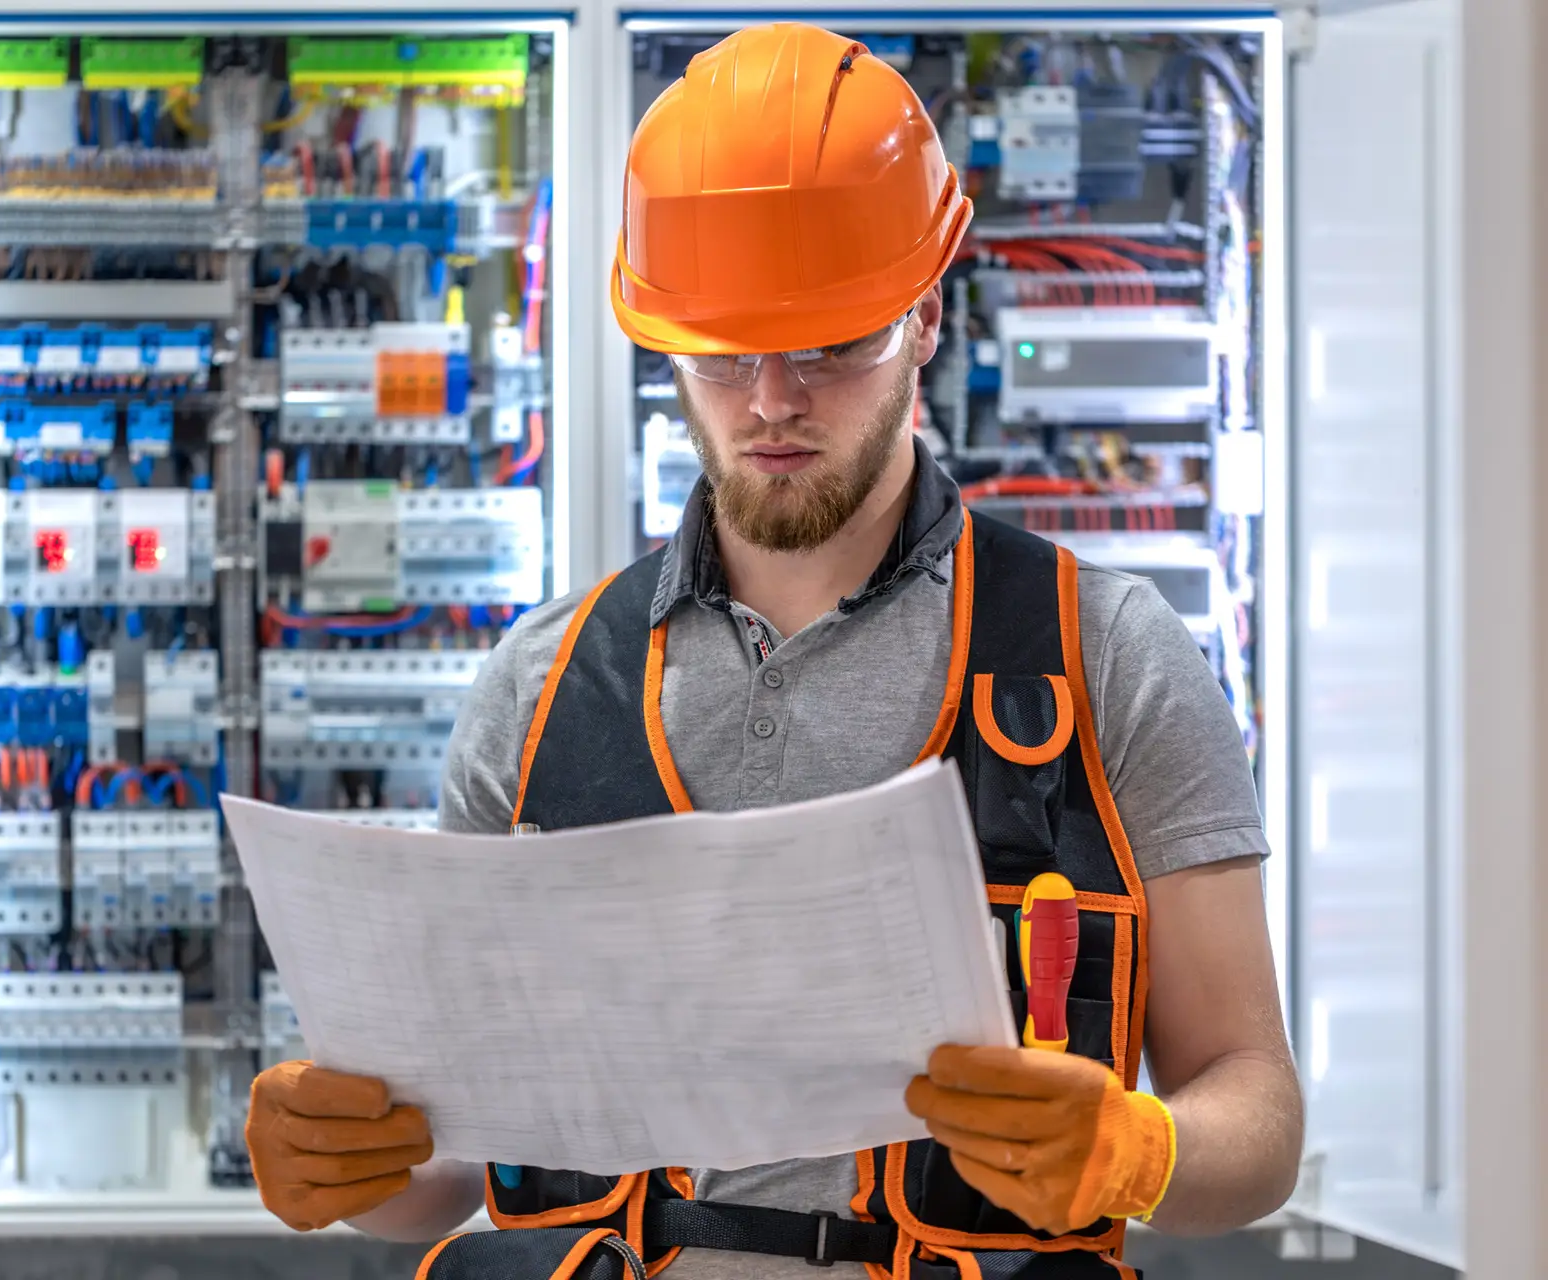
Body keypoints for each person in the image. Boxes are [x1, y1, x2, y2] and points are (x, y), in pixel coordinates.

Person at [244, 21, 1302, 1278]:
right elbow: (452, 1168)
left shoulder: (1106, 655)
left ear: (925, 315)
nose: (772, 398)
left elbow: (1255, 1105)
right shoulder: (539, 682)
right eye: (723, 350)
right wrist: (352, 1162)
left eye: (832, 342)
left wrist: (1142, 1152)